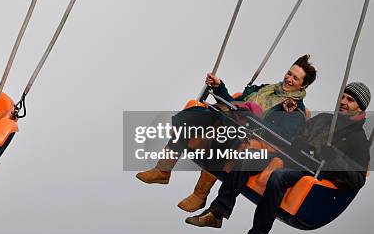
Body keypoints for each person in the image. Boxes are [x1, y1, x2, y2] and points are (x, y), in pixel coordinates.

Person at [185, 82, 371, 234]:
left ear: (361, 108)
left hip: (310, 172)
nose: (344, 102)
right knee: (249, 157)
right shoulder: (323, 119)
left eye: (350, 100)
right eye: (343, 97)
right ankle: (217, 212)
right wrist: (300, 144)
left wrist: (333, 158)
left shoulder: (358, 140)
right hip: (291, 158)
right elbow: (299, 136)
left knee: (278, 178)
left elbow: (357, 179)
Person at [136, 55, 317, 212]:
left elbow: (282, 136)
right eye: (289, 73)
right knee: (190, 117)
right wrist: (218, 87)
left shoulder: (295, 111)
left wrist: (254, 119)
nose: (289, 79)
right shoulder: (264, 89)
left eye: (295, 78)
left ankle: (200, 195)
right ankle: (163, 170)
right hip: (231, 117)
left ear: (304, 85)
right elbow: (233, 102)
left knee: (224, 135)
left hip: (250, 132)